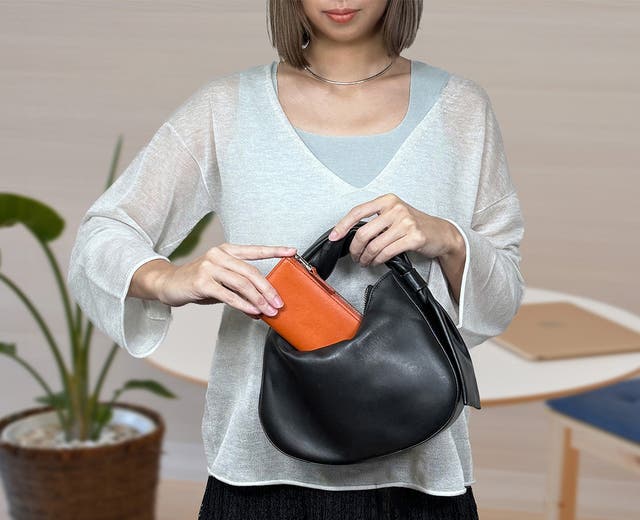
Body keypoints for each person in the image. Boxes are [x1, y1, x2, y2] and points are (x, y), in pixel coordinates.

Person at [68, 0, 526, 518]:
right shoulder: (226, 108)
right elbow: (102, 234)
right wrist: (168, 278)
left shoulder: (461, 109)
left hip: (420, 477)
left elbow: (502, 298)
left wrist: (449, 239)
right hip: (259, 477)